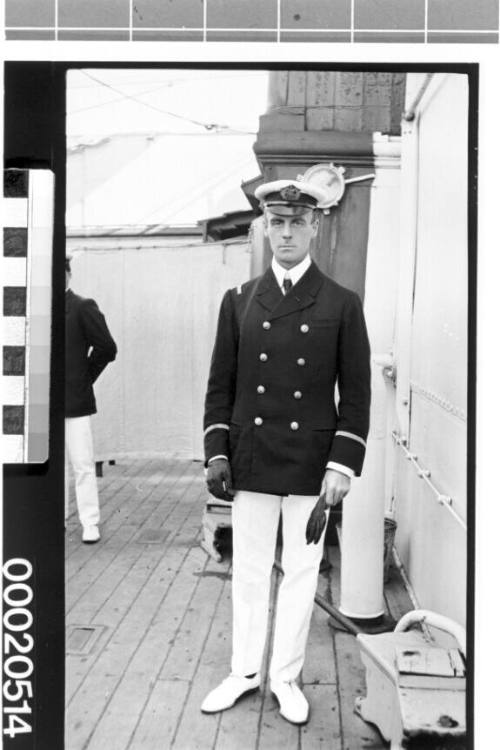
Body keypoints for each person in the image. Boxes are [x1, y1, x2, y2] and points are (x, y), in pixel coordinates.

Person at [201, 179, 371, 725]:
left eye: (298, 222)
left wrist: (342, 465)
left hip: (309, 465)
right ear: (264, 227)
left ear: (315, 227)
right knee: (249, 570)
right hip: (252, 458)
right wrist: (217, 452)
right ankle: (245, 671)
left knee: (301, 573)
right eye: (277, 222)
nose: (287, 233)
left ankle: (285, 677)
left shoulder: (342, 304)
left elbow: (358, 394)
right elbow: (219, 386)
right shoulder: (239, 301)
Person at [65, 256, 117, 543]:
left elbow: (107, 348)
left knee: (82, 464)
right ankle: (55, 518)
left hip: (74, 402)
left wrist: (84, 378)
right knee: (50, 466)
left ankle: (90, 523)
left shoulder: (82, 306)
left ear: (69, 274)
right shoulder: (37, 308)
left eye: (61, 272)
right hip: (42, 404)